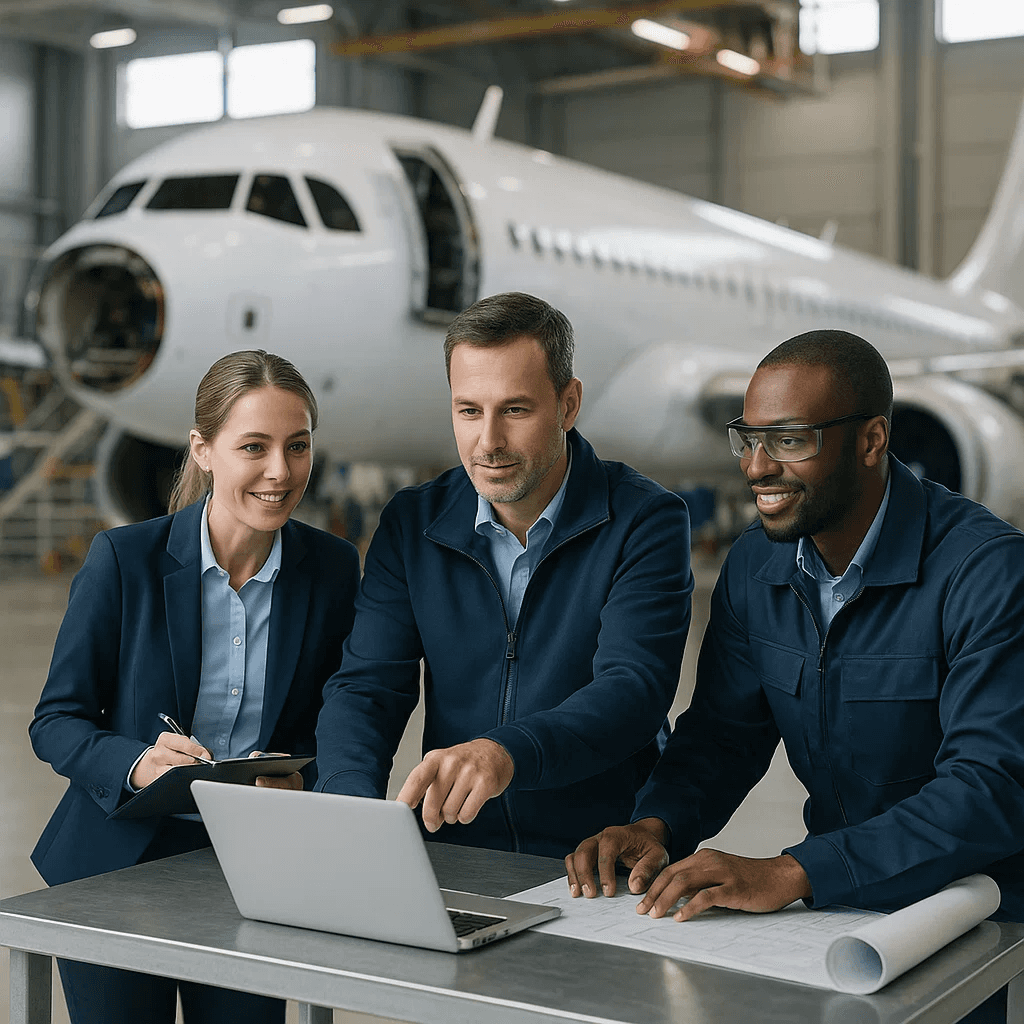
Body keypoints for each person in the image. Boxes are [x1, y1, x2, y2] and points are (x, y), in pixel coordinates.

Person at [566, 329, 1024, 1019]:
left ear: (871, 441)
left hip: (982, 924)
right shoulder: (757, 567)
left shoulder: (986, 572)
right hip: (837, 917)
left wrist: (793, 871)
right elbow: (722, 733)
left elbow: (990, 789)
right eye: (748, 439)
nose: (756, 467)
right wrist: (657, 824)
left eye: (789, 441)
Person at [30, 349, 360, 1024]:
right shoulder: (124, 560)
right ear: (203, 450)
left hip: (252, 870)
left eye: (298, 447)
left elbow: (340, 718)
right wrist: (135, 763)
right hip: (116, 866)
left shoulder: (330, 570)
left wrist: (306, 781)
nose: (281, 471)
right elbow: (56, 720)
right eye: (254, 447)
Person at [315, 291, 693, 857]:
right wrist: (348, 802)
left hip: (604, 855)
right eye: (468, 411)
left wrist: (505, 753)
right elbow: (368, 687)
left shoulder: (646, 520)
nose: (487, 442)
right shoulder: (411, 523)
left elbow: (633, 690)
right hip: (455, 850)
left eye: (514, 410)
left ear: (568, 405)